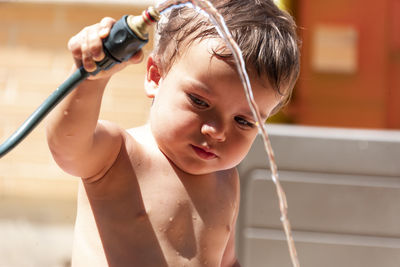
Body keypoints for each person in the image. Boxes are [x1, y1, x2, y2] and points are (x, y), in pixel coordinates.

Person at [46, 0, 300, 266]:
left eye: (243, 121)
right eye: (199, 102)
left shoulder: (227, 180)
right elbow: (67, 146)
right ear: (156, 76)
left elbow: (226, 260)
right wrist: (89, 78)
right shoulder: (119, 155)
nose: (216, 132)